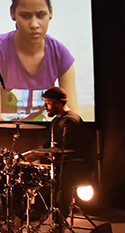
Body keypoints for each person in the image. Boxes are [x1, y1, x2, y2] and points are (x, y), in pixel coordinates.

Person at [0, 0, 77, 121]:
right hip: (2, 139)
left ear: (50, 12)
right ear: (12, 13)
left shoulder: (60, 55)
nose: (34, 24)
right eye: (26, 16)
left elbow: (72, 119)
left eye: (40, 15)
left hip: (45, 141)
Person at [26, 86, 93, 219]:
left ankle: (59, 217)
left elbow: (61, 147)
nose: (45, 106)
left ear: (58, 103)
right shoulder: (57, 120)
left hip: (76, 165)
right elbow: (47, 146)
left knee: (59, 181)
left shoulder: (70, 122)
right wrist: (26, 155)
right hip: (63, 164)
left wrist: (35, 155)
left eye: (48, 103)